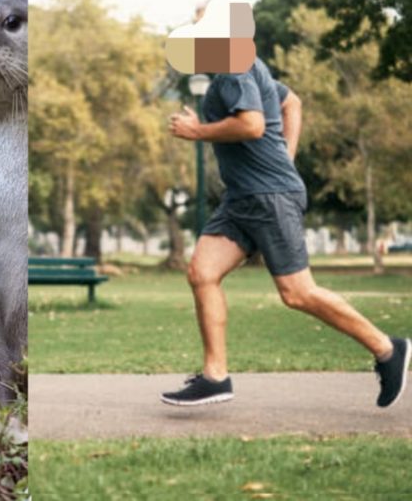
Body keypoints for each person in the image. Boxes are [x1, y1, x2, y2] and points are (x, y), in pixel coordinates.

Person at [161, 38, 409, 408]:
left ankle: (388, 349)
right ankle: (216, 377)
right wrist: (286, 158)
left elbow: (252, 125)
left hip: (268, 198)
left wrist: (197, 132)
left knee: (297, 292)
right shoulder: (243, 66)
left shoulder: (235, 67)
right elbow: (292, 102)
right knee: (202, 272)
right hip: (242, 198)